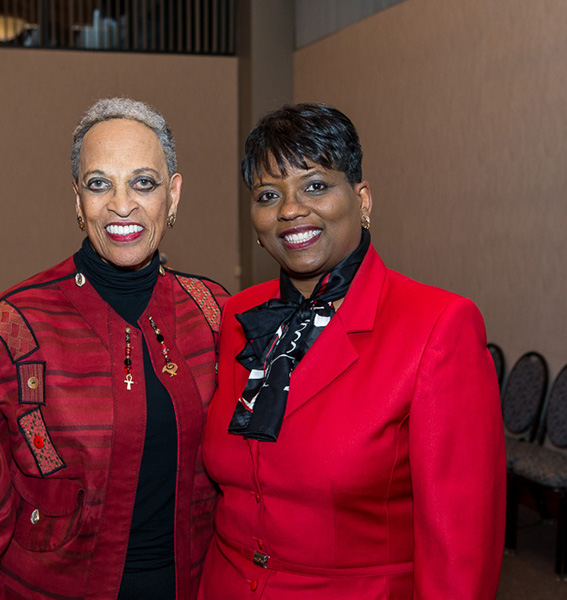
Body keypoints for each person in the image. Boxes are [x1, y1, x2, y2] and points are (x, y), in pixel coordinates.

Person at [0, 98, 229, 600]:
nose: (121, 204)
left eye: (144, 183)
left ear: (173, 196)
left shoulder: (214, 313)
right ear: (77, 198)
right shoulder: (16, 326)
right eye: (99, 183)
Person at [197, 103, 505, 599]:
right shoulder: (239, 315)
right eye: (269, 194)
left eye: (315, 185)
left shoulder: (438, 327)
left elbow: (459, 546)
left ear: (361, 199)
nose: (291, 209)